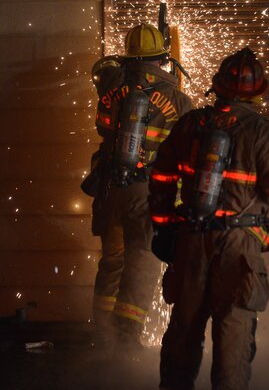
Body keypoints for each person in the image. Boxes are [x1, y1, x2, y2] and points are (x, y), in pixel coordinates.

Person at [149, 47, 269, 390]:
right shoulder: (262, 132)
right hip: (239, 250)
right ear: (258, 92)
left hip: (191, 241)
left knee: (182, 336)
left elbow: (161, 176)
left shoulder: (190, 124)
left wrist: (165, 226)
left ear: (218, 86)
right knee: (233, 344)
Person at [83, 22, 194, 355]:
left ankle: (100, 335)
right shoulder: (177, 98)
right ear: (162, 58)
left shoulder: (111, 90)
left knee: (112, 261)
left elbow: (104, 129)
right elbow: (186, 148)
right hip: (144, 194)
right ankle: (126, 340)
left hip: (108, 190)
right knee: (142, 260)